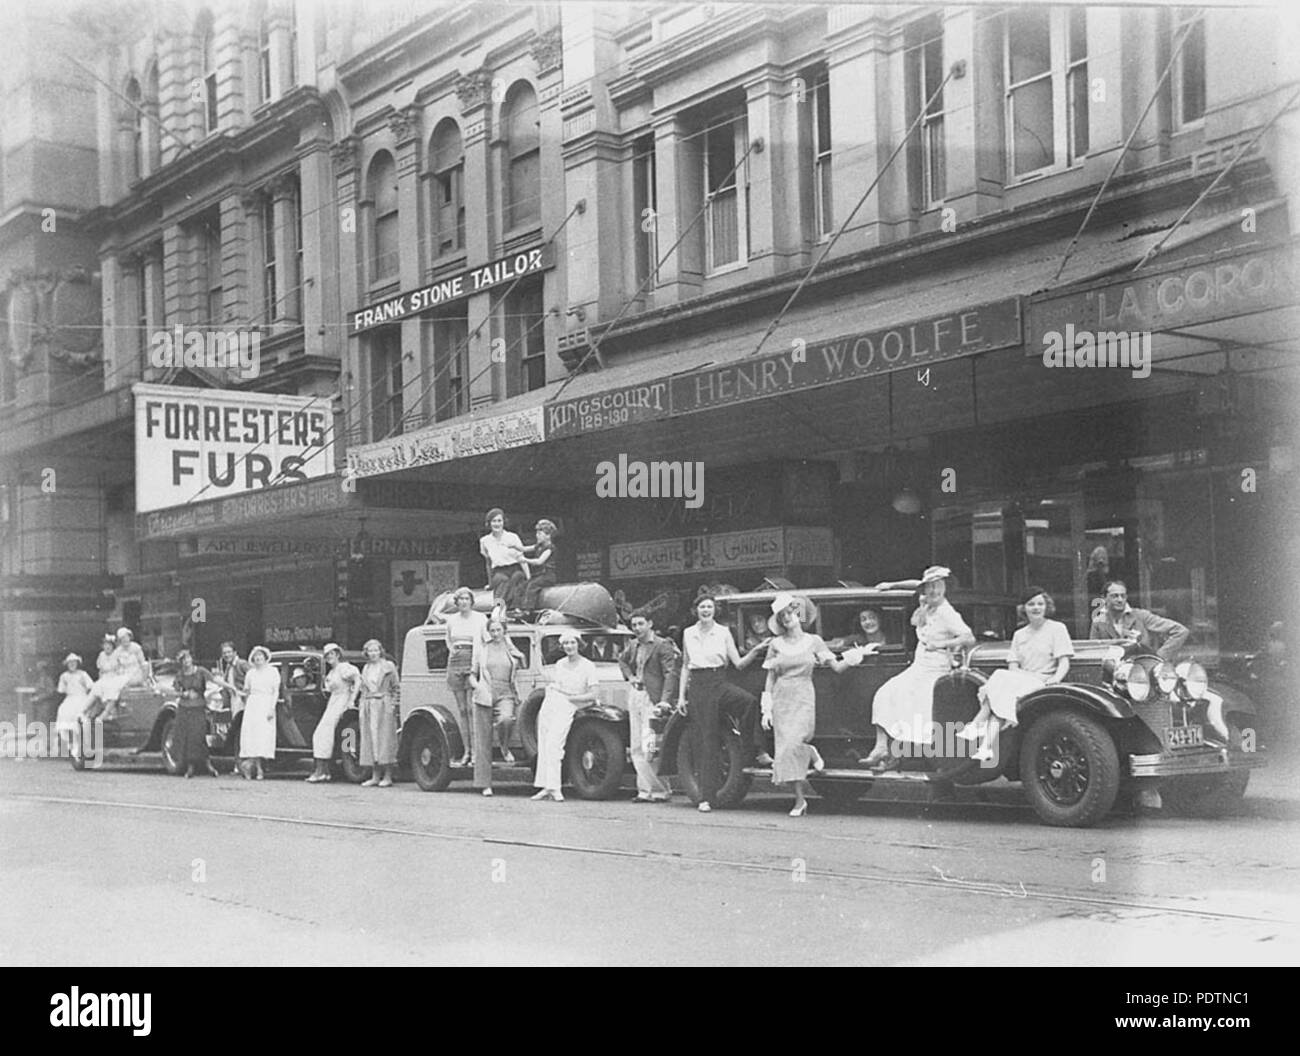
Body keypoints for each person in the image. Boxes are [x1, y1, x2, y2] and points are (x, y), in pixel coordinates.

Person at [761, 594, 866, 816]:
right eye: (782, 616)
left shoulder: (814, 641)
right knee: (785, 750)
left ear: (799, 614)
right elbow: (770, 677)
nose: (787, 618)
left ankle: (808, 751)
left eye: (790, 612)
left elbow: (836, 667)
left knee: (794, 743)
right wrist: (766, 708)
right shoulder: (775, 644)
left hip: (803, 695)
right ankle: (799, 800)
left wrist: (857, 655)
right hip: (782, 697)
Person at [861, 566, 975, 771]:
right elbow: (915, 585)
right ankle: (881, 747)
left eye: (938, 586)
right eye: (930, 587)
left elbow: (968, 637)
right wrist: (892, 585)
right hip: (919, 666)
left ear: (944, 588)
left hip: (935, 668)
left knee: (917, 708)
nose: (933, 591)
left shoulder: (946, 612)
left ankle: (915, 759)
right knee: (885, 694)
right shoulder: (927, 603)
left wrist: (940, 645)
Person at [959, 587, 1073, 762]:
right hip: (1021, 679)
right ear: (1024, 608)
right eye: (1031, 604)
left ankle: (977, 725)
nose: (1036, 608)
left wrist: (1055, 679)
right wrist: (1024, 675)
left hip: (1043, 682)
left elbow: (1064, 661)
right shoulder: (1019, 634)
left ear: (1046, 606)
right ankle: (985, 747)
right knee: (1000, 700)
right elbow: (1013, 666)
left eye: (1040, 604)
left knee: (999, 682)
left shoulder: (1057, 629)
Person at [676, 594, 766, 813]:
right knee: (706, 741)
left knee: (748, 702)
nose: (706, 611)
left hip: (719, 681)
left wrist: (756, 650)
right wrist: (681, 697)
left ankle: (752, 749)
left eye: (709, 607)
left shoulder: (724, 632)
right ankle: (705, 798)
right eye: (702, 607)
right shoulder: (689, 633)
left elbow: (738, 663)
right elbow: (686, 666)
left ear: (714, 610)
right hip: (698, 685)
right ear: (696, 610)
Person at [619, 611, 680, 803]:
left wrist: (665, 700)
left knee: (651, 745)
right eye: (634, 625)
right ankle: (644, 791)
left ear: (650, 624)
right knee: (636, 744)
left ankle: (660, 790)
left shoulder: (662, 645)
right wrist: (630, 677)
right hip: (636, 695)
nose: (637, 628)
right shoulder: (633, 644)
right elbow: (622, 660)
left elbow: (671, 673)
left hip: (652, 698)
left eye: (640, 624)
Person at [532, 631, 599, 802]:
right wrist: (536, 644)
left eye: (572, 643)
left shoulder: (588, 666)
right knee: (545, 743)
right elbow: (548, 678)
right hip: (552, 702)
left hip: (569, 704)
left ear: (578, 644)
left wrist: (572, 698)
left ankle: (555, 787)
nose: (569, 647)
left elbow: (593, 694)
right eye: (566, 644)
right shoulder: (560, 664)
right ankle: (546, 786)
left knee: (555, 743)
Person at [472, 619, 526, 796]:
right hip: (485, 692)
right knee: (483, 739)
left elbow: (522, 664)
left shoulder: (510, 649)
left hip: (506, 692)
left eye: (499, 630)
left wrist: (518, 653)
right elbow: (471, 674)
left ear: (504, 631)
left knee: (506, 719)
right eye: (492, 630)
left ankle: (504, 747)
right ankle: (485, 784)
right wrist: (478, 686)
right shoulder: (482, 649)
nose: (496, 634)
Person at [1089, 579, 1189, 661]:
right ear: (1104, 598)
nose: (1120, 600)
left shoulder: (1141, 616)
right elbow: (1094, 654)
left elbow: (1180, 631)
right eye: (1114, 596)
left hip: (1142, 674)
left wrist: (1157, 659)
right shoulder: (1098, 623)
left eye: (1123, 596)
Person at [444, 586, 489, 767]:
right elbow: (448, 639)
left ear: (471, 601)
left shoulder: (480, 618)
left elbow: (486, 641)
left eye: (466, 599)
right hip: (455, 663)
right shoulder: (452, 620)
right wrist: (452, 650)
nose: (463, 602)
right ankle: (466, 751)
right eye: (460, 599)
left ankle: (477, 753)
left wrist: (477, 666)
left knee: (473, 710)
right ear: (456, 602)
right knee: (462, 710)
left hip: (473, 663)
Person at [306, 643, 361, 783]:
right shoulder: (331, 673)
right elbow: (328, 690)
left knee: (324, 732)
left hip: (343, 701)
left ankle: (321, 771)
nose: (329, 657)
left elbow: (357, 679)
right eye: (327, 655)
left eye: (331, 654)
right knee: (321, 734)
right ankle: (323, 770)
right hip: (333, 702)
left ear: (337, 654)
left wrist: (352, 699)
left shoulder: (344, 668)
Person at [171, 650, 224, 778]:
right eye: (183, 660)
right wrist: (184, 694)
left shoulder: (201, 671)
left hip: (198, 707)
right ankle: (190, 766)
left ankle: (207, 763)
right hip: (184, 708)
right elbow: (175, 690)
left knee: (198, 736)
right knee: (186, 737)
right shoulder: (180, 674)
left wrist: (230, 687)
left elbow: (214, 681)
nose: (186, 662)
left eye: (188, 658)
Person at [358, 638, 399, 787]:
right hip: (369, 705)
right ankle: (375, 775)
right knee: (371, 740)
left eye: (376, 650)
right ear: (366, 652)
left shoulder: (388, 666)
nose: (373, 653)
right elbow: (363, 689)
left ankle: (388, 775)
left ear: (380, 651)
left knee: (385, 740)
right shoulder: (366, 668)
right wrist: (362, 707)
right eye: (370, 651)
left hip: (384, 704)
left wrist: (392, 706)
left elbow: (396, 687)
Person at [237, 647, 279, 780]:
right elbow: (247, 690)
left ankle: (250, 765)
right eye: (256, 657)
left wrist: (272, 708)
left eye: (260, 656)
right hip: (253, 705)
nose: (258, 659)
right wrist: (240, 694)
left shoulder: (273, 671)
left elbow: (276, 691)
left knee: (263, 736)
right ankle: (257, 768)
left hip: (266, 704)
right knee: (252, 737)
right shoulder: (251, 673)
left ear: (265, 657)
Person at [480, 508, 528, 615]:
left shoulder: (512, 537)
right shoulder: (485, 541)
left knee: (517, 577)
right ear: (489, 523)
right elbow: (488, 562)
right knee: (502, 580)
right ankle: (499, 607)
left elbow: (521, 558)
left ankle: (514, 609)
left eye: (499, 521)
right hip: (499, 570)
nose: (497, 524)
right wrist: (490, 583)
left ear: (503, 522)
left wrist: (529, 576)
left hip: (515, 567)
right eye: (494, 521)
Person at [55, 653, 94, 758]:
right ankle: (70, 743)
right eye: (70, 663)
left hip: (82, 698)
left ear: (77, 664)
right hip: (70, 698)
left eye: (74, 663)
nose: (72, 665)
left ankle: (84, 743)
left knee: (81, 718)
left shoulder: (83, 674)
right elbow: (61, 690)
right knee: (63, 712)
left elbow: (91, 687)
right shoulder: (64, 676)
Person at [518, 519, 558, 613]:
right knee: (523, 585)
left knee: (532, 586)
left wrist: (525, 560)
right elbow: (524, 548)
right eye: (537, 533)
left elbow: (540, 561)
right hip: (539, 575)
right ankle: (518, 608)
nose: (537, 535)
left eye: (540, 533)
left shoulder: (550, 548)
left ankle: (528, 610)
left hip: (547, 576)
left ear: (548, 535)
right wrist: (513, 546)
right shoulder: (538, 546)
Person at [216, 641, 251, 717]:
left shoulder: (242, 664)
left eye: (229, 652)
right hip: (233, 699)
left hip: (243, 700)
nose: (227, 655)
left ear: (235, 652)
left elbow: (253, 678)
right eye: (224, 653)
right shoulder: (228, 667)